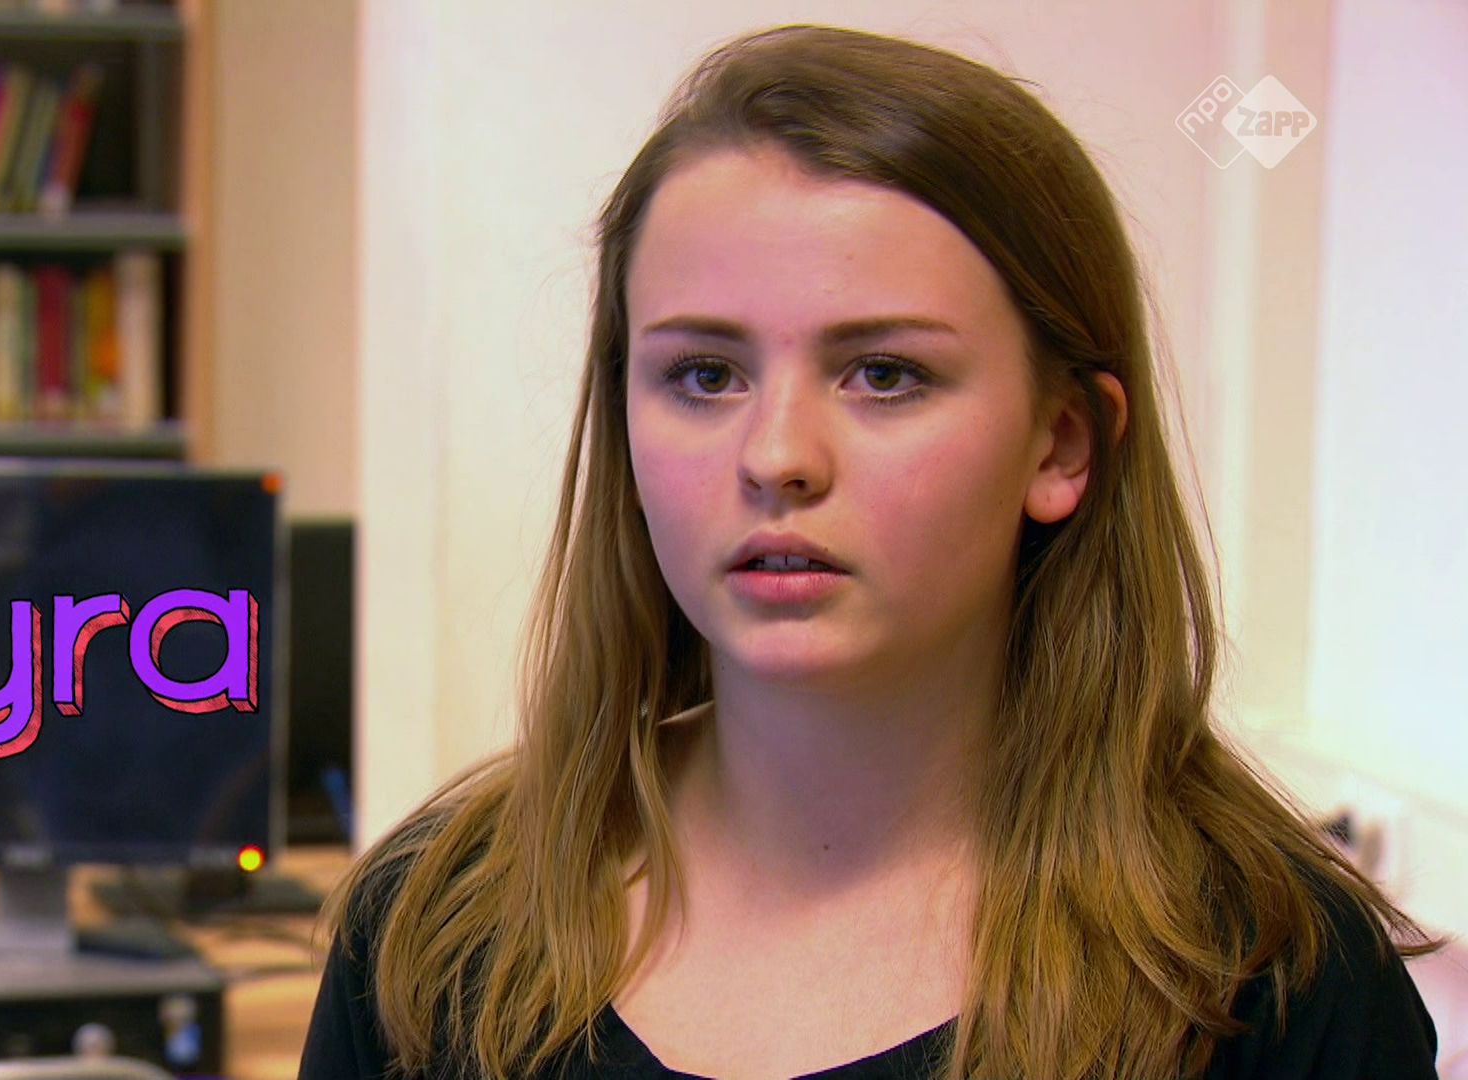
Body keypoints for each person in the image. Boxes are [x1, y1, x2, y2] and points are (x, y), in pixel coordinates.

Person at [298, 24, 1443, 1080]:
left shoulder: (1272, 985)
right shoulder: (430, 937)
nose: (777, 456)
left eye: (884, 375)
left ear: (1062, 442)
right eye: (704, 374)